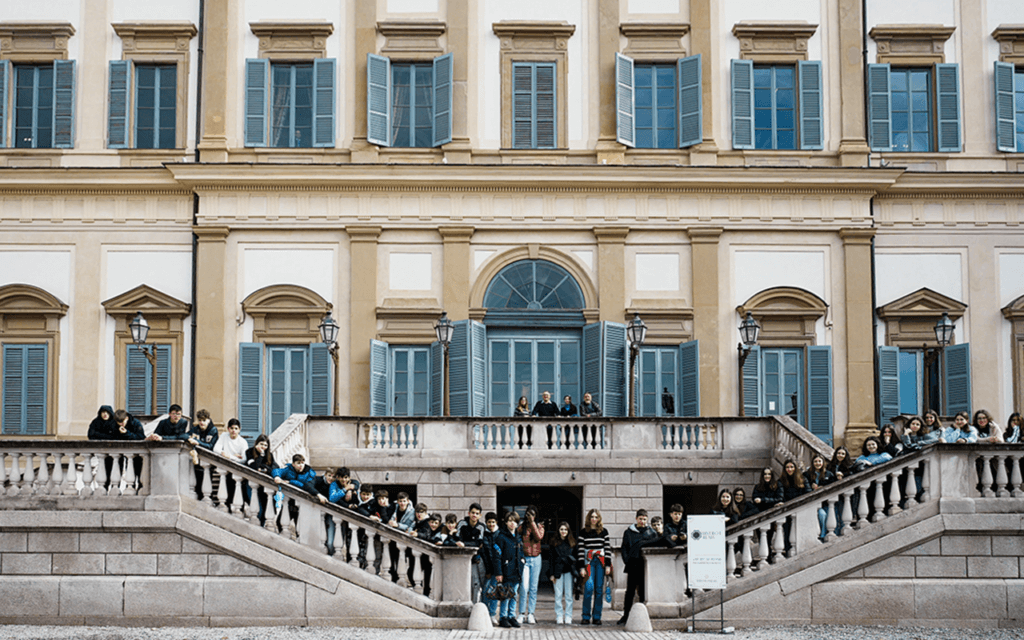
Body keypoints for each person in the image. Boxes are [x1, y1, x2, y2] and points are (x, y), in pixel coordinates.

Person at [618, 509, 658, 626]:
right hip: (632, 565)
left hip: (645, 566)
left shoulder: (651, 533)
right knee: (630, 592)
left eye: (645, 519)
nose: (642, 521)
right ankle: (625, 616)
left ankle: (643, 616)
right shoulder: (629, 532)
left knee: (643, 591)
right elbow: (624, 548)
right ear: (636, 519)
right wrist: (627, 561)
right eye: (640, 519)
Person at [576, 508, 611, 626]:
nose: (594, 519)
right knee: (589, 588)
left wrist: (608, 565)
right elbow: (580, 550)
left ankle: (597, 617)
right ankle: (585, 616)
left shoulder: (604, 532)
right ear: (588, 518)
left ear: (599, 518)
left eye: (596, 517)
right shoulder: (583, 532)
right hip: (588, 562)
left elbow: (607, 549)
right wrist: (581, 567)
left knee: (599, 590)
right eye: (592, 517)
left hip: (600, 562)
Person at [495, 510, 524, 628]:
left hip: (516, 571)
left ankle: (511, 616)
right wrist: (499, 572)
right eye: (510, 521)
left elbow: (521, 552)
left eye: (515, 521)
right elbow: (497, 557)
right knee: (505, 595)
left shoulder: (518, 537)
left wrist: (523, 561)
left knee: (513, 595)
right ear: (506, 522)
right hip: (506, 571)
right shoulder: (501, 537)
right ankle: (503, 617)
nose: (512, 523)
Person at [516, 506, 545, 625]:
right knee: (524, 587)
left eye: (532, 514)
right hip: (525, 559)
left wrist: (533, 523)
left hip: (536, 558)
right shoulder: (522, 527)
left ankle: (531, 613)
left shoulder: (540, 526)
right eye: (528, 514)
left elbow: (538, 537)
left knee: (533, 588)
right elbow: (516, 537)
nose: (530, 516)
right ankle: (521, 613)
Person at [212, 418, 248, 511]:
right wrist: (235, 457)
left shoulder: (243, 442)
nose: (233, 431)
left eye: (236, 428)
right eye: (232, 428)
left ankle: (240, 509)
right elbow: (216, 449)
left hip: (237, 471)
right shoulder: (224, 436)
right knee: (226, 489)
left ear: (239, 430)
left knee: (239, 491)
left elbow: (244, 459)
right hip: (226, 469)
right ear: (228, 429)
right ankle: (227, 507)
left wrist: (229, 456)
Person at [547, 521, 577, 625]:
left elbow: (575, 559)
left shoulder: (572, 542)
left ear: (568, 531)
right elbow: (550, 559)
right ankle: (559, 615)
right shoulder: (553, 542)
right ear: (558, 531)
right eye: (561, 529)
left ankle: (568, 616)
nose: (563, 531)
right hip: (557, 571)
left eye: (565, 529)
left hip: (569, 571)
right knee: (558, 595)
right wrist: (551, 574)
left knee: (569, 596)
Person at [456, 503, 487, 603]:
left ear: (480, 515)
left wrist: (464, 544)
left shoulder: (481, 527)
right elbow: (457, 539)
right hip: (461, 558)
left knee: (476, 584)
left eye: (477, 513)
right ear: (469, 513)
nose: (474, 515)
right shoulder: (462, 523)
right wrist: (467, 544)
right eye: (473, 513)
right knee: (462, 583)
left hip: (475, 559)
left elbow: (479, 543)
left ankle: (473, 605)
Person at [243, 434, 276, 526]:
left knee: (265, 510)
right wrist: (261, 455)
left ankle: (260, 528)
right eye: (261, 444)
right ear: (256, 443)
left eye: (265, 445)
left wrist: (264, 468)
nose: (263, 447)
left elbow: (273, 469)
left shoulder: (270, 456)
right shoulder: (249, 452)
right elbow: (254, 467)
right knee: (258, 510)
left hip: (264, 487)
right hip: (251, 485)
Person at [327, 467, 359, 561]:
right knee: (330, 542)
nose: (344, 480)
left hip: (348, 517)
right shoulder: (334, 484)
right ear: (337, 477)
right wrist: (346, 489)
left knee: (347, 541)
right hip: (333, 516)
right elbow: (332, 499)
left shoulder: (353, 483)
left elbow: (357, 484)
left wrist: (350, 489)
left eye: (346, 477)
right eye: (341, 477)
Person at [189, 409, 219, 499]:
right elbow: (185, 435)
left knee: (207, 483)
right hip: (197, 463)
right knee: (198, 485)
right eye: (199, 420)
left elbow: (211, 446)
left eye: (204, 420)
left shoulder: (213, 430)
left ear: (208, 420)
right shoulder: (196, 429)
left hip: (208, 462)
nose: (201, 422)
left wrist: (197, 442)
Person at [387, 492, 416, 583]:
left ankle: (407, 578)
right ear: (397, 502)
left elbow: (410, 527)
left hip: (405, 539)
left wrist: (398, 525)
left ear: (408, 501)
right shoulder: (395, 508)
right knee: (392, 557)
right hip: (394, 537)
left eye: (404, 501)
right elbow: (392, 518)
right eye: (400, 501)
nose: (402, 503)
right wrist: (391, 522)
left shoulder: (413, 511)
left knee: (404, 559)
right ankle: (394, 577)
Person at [479, 512, 502, 622]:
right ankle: (484, 613)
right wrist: (488, 569)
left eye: (493, 522)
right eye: (489, 522)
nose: (491, 524)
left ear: (496, 522)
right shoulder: (484, 534)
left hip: (497, 569)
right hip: (488, 568)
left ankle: (492, 614)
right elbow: (484, 553)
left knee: (494, 592)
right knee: (485, 592)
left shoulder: (500, 534)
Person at [314, 467, 338, 555]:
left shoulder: (336, 485)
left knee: (330, 542)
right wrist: (319, 495)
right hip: (317, 512)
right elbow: (308, 486)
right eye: (329, 475)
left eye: (333, 476)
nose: (331, 478)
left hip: (330, 514)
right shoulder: (317, 480)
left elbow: (354, 482)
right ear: (325, 475)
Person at [353, 484, 376, 569]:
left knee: (366, 552)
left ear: (371, 494)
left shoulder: (374, 502)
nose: (365, 497)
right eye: (364, 494)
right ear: (360, 493)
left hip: (368, 531)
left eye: (368, 495)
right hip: (355, 529)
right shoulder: (355, 498)